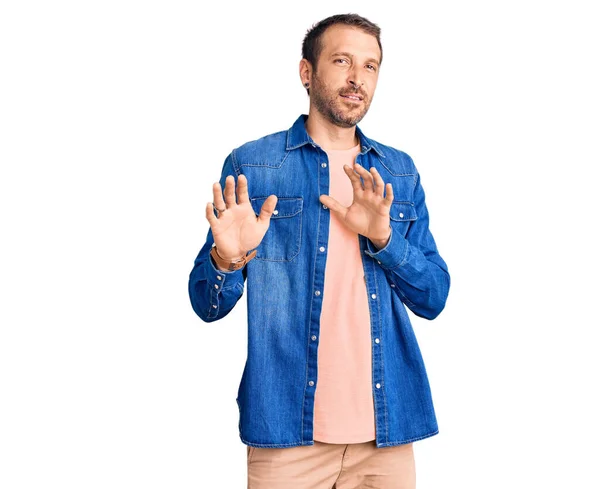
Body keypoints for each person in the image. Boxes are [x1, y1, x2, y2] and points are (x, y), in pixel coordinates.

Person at [188, 13, 450, 489]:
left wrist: (385, 241)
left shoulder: (399, 172)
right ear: (307, 72)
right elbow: (206, 304)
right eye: (342, 60)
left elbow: (434, 297)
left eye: (370, 66)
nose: (357, 79)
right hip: (287, 435)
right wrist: (227, 259)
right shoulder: (254, 165)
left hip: (385, 434)